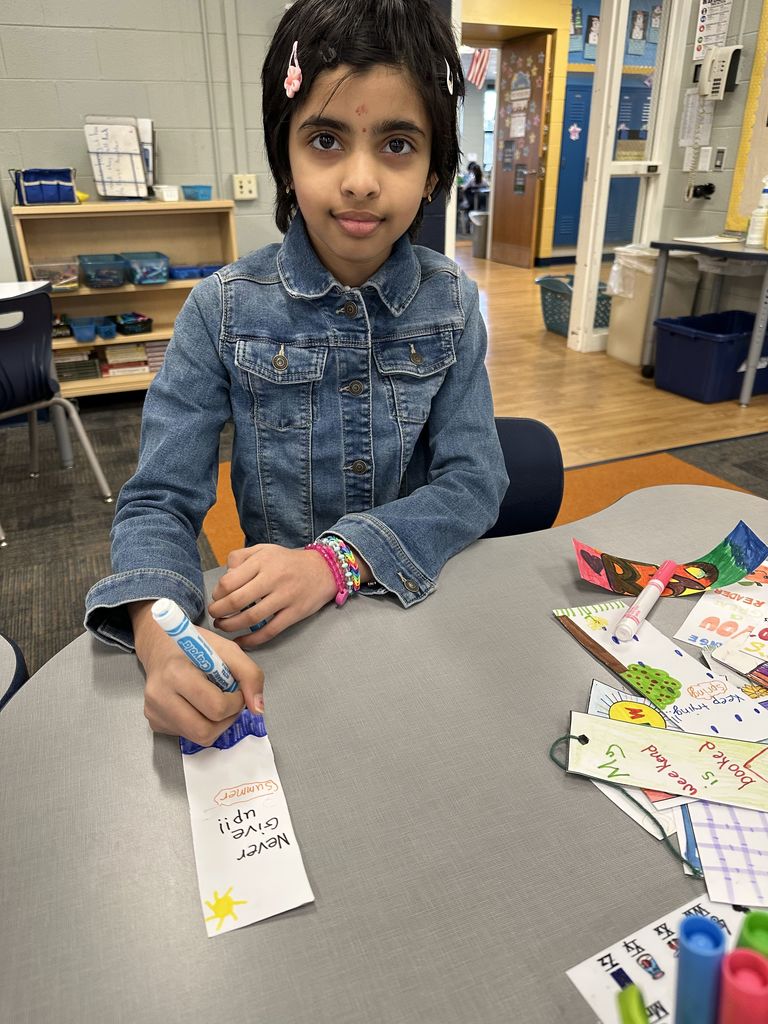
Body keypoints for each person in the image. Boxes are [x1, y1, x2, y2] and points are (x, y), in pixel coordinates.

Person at [84, 0, 508, 746]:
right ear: (286, 154)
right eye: (326, 139)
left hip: (412, 611)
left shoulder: (452, 304)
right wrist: (159, 635)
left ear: (436, 167)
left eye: (398, 144)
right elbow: (155, 503)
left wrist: (335, 562)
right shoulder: (219, 310)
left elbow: (474, 480)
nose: (361, 181)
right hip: (283, 652)